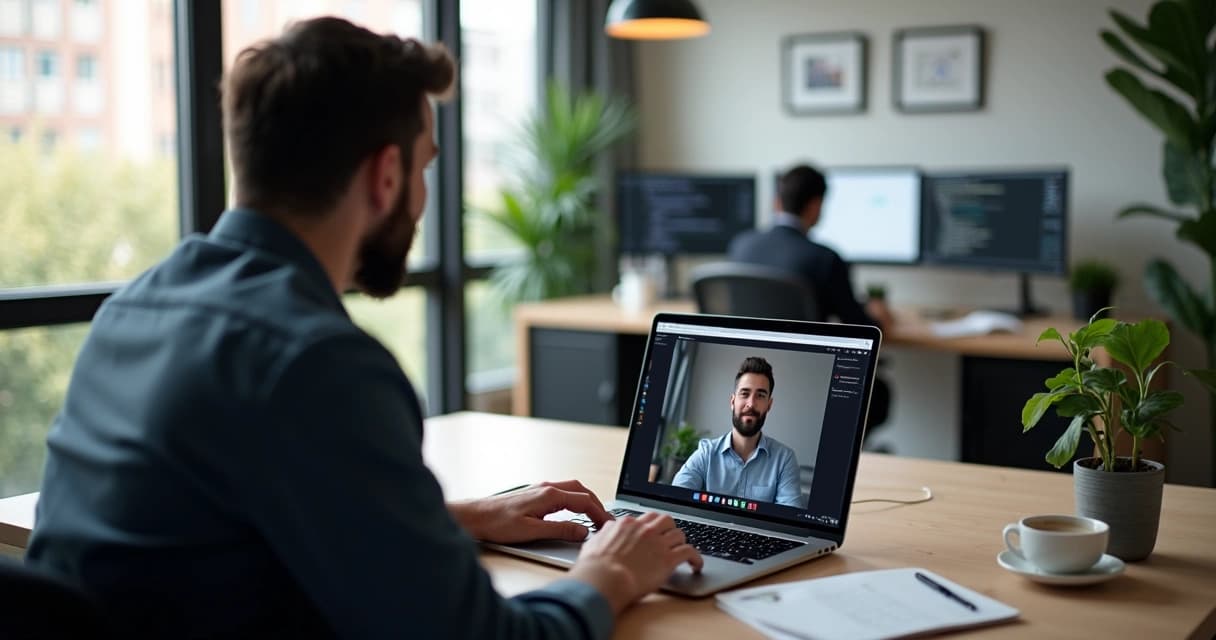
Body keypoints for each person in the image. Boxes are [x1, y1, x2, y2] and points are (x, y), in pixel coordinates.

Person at [25, 17, 700, 639]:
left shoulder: (134, 308)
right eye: (427, 166)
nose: (424, 196)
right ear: (385, 176)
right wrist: (612, 569)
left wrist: (458, 519)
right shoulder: (314, 361)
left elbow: (225, 533)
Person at [729, 164, 893, 331]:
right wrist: (879, 316)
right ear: (816, 205)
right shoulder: (825, 259)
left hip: (749, 348)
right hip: (807, 355)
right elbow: (860, 327)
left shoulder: (741, 245)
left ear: (777, 202)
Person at [672, 357, 803, 507]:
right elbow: (676, 499)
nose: (751, 404)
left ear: (769, 405)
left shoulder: (784, 460)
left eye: (760, 395)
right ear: (732, 401)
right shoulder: (707, 453)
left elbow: (788, 520)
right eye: (745, 393)